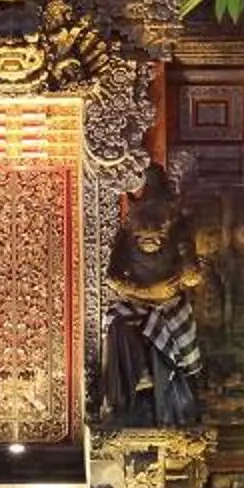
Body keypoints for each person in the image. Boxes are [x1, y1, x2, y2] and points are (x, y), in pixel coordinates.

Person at [99, 164, 206, 429]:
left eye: (156, 235)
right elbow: (113, 277)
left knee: (167, 335)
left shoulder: (180, 236)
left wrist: (181, 278)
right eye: (141, 236)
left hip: (170, 306)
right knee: (117, 328)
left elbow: (193, 276)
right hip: (134, 304)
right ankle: (125, 397)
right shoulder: (125, 238)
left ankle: (170, 404)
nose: (148, 240)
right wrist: (145, 292)